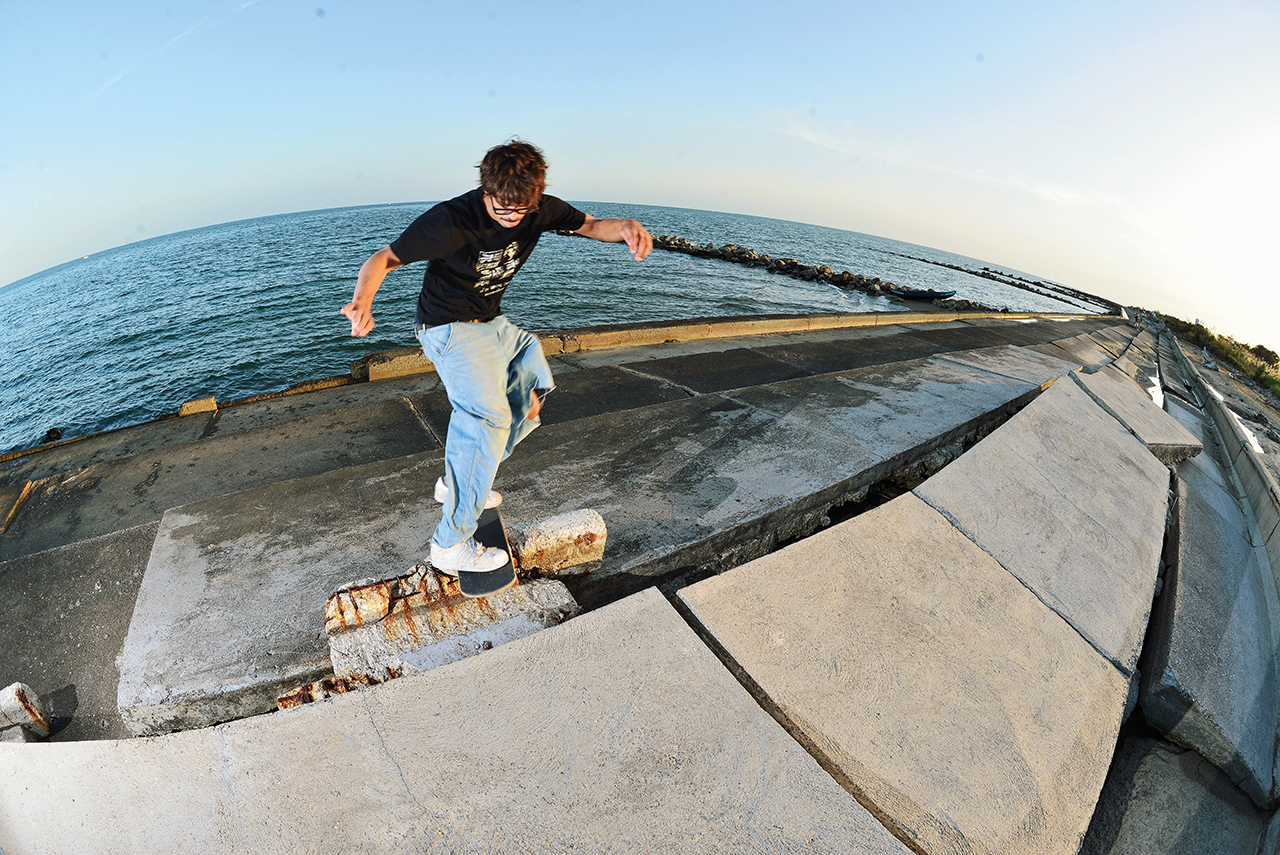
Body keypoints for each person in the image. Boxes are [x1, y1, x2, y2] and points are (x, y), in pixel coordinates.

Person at [340, 140, 652, 579]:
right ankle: (449, 544)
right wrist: (362, 302)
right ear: (485, 190)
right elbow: (384, 259)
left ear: (534, 198)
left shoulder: (539, 207)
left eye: (519, 211)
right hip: (447, 327)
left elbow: (593, 224)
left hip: (492, 323)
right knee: (488, 419)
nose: (510, 218)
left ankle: (460, 481)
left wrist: (627, 226)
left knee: (529, 395)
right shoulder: (451, 220)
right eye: (501, 208)